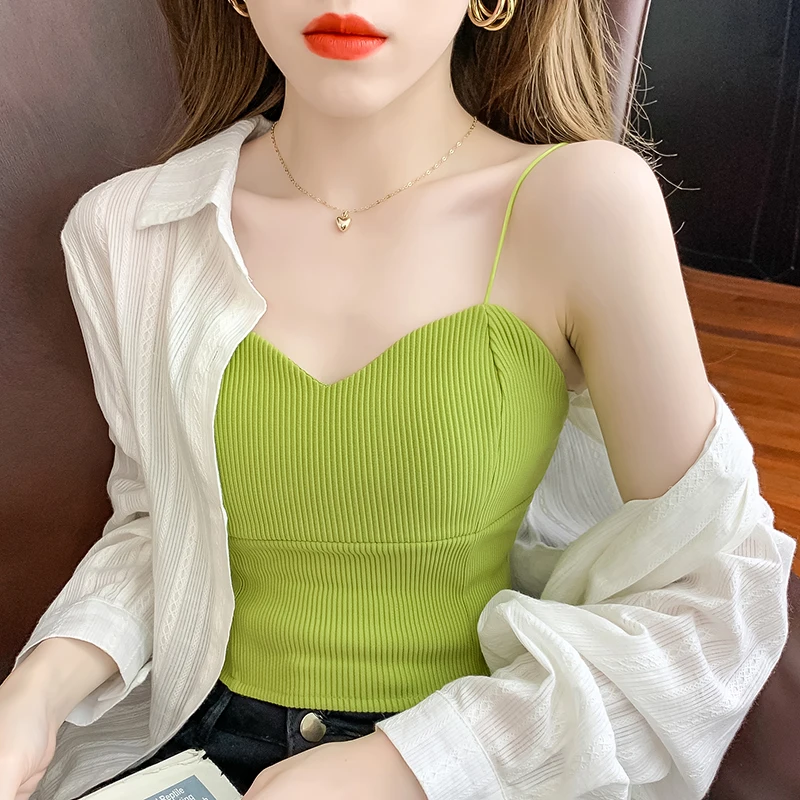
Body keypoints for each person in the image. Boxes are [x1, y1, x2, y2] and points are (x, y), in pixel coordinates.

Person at [0, 0, 795, 798]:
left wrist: (406, 765)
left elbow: (714, 583)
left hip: (467, 755)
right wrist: (36, 691)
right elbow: (159, 524)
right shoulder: (132, 228)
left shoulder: (584, 204)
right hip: (186, 747)